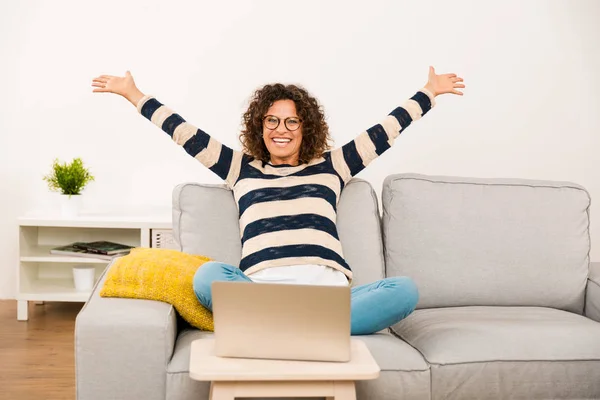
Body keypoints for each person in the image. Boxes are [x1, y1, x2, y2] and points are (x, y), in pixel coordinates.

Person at [91, 67, 465, 335]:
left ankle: (278, 329)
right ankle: (304, 329)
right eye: (272, 121)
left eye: (291, 122)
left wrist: (428, 93)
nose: (281, 130)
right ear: (260, 127)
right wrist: (134, 95)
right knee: (207, 276)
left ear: (306, 128)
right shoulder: (242, 169)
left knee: (404, 291)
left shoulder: (332, 167)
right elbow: (186, 134)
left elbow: (384, 132)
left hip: (327, 296)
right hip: (262, 293)